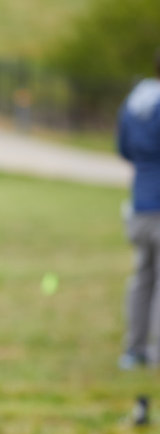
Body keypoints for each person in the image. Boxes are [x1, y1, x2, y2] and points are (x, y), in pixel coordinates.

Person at [117, 47, 160, 370]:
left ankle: (135, 349)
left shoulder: (134, 102)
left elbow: (124, 149)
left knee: (143, 277)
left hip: (139, 203)